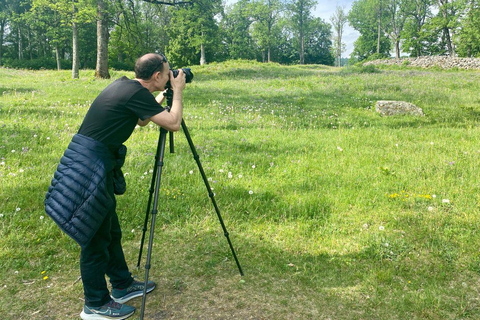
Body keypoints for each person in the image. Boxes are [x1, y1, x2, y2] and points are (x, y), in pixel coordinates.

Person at [45, 53, 186, 320]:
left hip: (92, 163)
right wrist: (177, 93)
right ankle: (95, 304)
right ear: (157, 76)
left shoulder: (127, 87)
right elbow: (174, 123)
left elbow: (142, 119)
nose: (170, 77)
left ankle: (122, 285)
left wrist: (160, 100)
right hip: (88, 169)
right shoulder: (134, 92)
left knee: (110, 230)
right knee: (95, 238)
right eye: (168, 73)